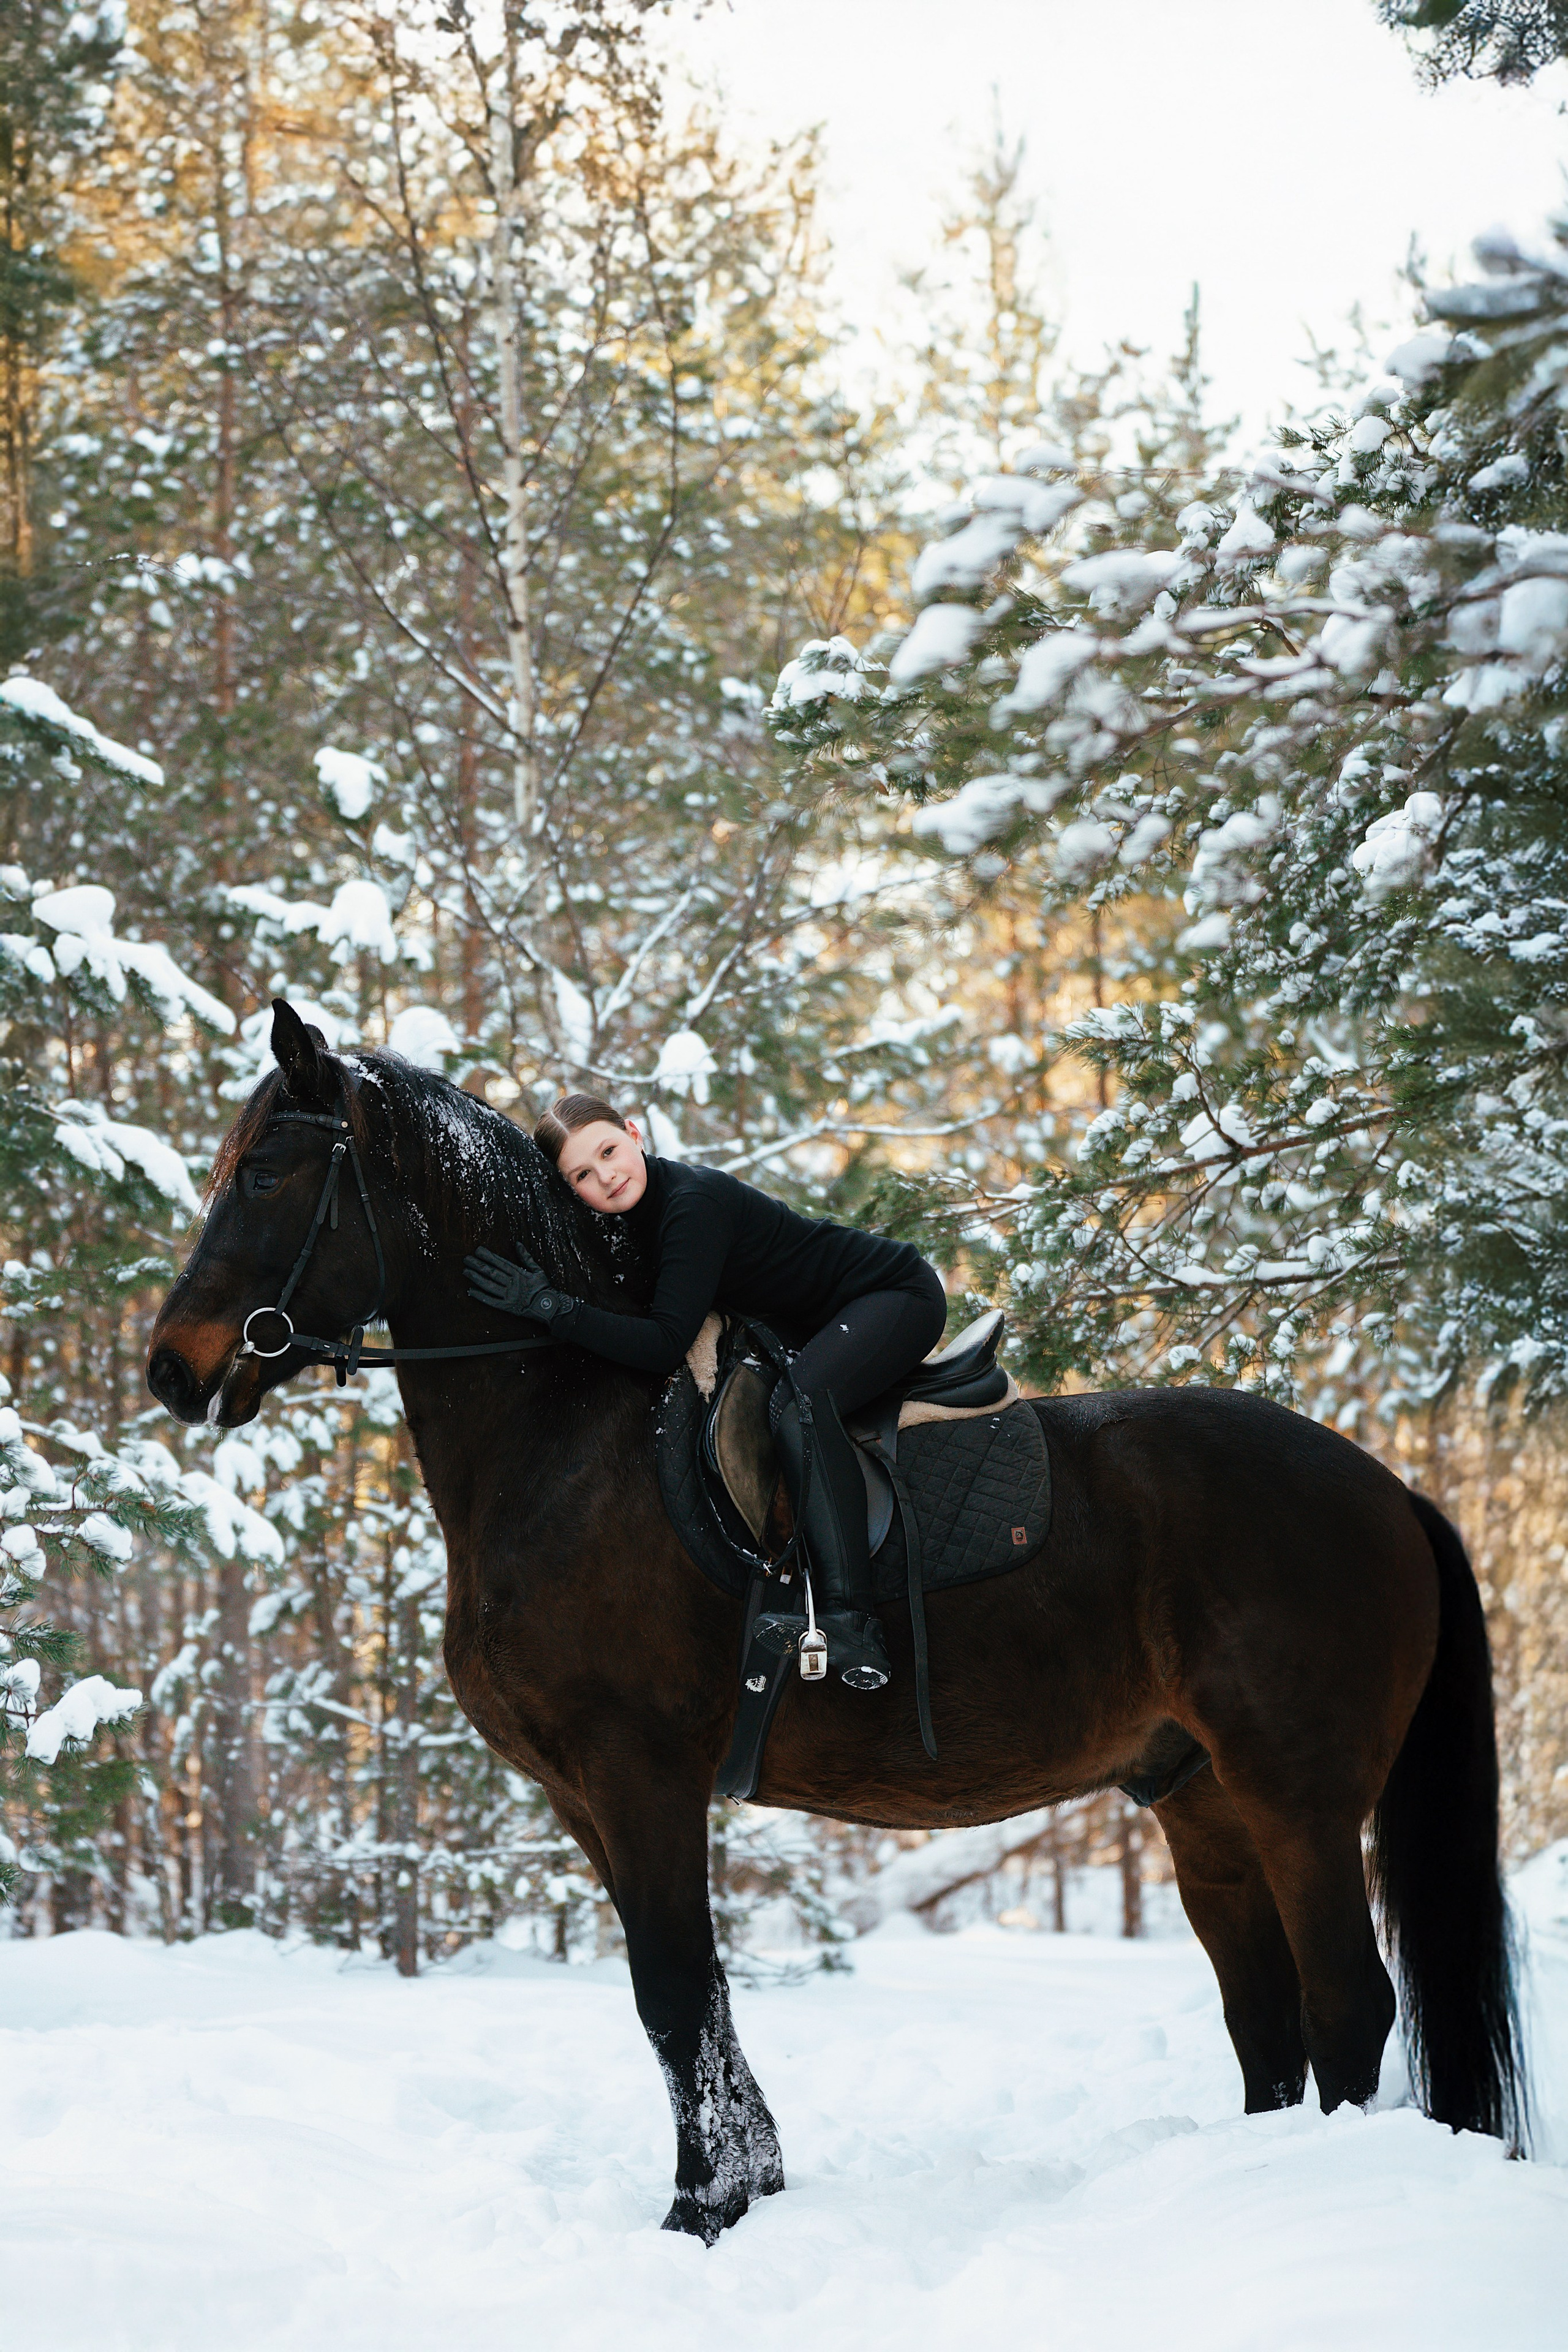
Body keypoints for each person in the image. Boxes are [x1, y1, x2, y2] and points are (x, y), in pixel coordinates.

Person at [464, 1093, 949, 1691]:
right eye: (582, 1175)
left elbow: (664, 1342)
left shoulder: (693, 1205)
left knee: (797, 1410)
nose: (606, 1177)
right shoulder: (625, 1219)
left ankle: (851, 1619)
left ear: (634, 1133)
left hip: (890, 1296)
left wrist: (552, 1308)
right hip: (814, 1323)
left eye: (609, 1152)